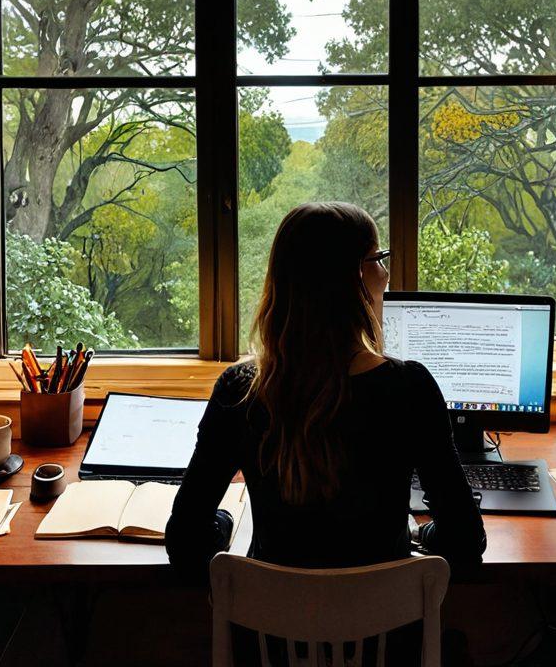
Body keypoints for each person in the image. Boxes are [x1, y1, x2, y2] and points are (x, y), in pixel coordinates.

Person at [166, 201, 485, 582]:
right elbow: (465, 540)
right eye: (377, 258)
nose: (384, 273)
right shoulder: (409, 389)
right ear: (356, 278)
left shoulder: (240, 392)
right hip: (388, 637)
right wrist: (423, 535)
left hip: (268, 637)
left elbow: (184, 540)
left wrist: (221, 524)